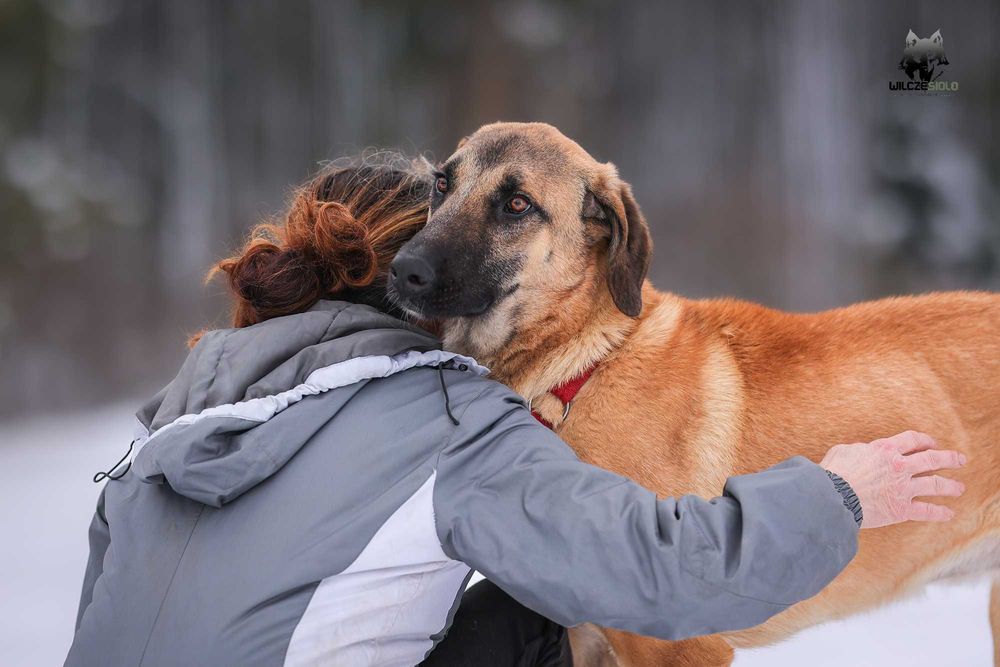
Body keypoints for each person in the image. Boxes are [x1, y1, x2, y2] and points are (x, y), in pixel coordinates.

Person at [66, 157, 966, 667]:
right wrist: (841, 494)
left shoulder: (176, 416)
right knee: (553, 621)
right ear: (409, 275)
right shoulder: (445, 421)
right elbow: (670, 581)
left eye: (502, 209)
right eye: (449, 206)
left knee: (540, 613)